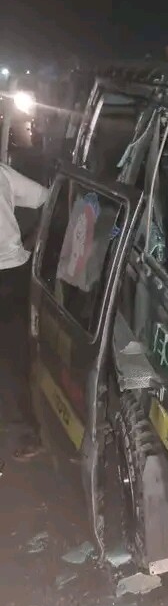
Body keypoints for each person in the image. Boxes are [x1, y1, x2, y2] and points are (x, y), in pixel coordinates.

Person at [0, 161, 49, 460]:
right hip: (12, 273)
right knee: (13, 356)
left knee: (12, 356)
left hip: (9, 274)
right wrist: (30, 244)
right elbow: (47, 198)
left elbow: (48, 199)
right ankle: (23, 431)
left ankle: (23, 430)